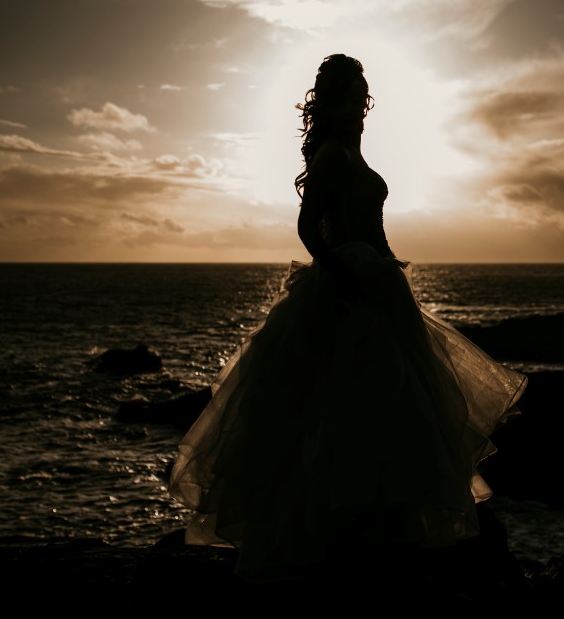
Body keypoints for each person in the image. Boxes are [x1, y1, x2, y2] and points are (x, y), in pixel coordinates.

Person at [167, 53, 527, 584]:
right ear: (329, 104)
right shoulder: (333, 156)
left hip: (377, 282)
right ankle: (338, 536)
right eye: (349, 99)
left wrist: (388, 271)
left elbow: (370, 226)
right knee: (337, 409)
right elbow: (310, 230)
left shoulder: (351, 155)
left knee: (394, 406)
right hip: (343, 287)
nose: (359, 110)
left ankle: (378, 529)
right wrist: (347, 277)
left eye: (363, 100)